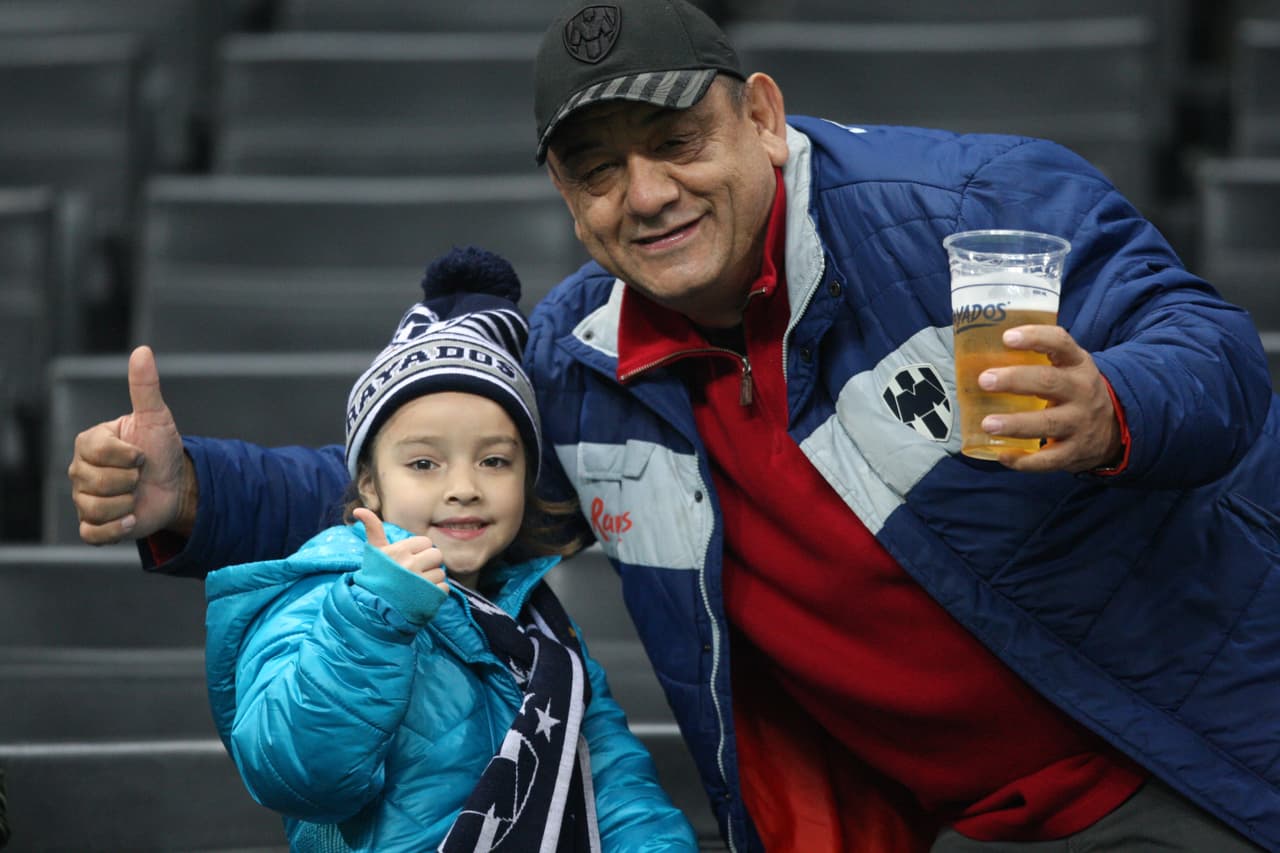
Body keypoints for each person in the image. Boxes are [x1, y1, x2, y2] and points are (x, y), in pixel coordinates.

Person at [67, 0, 1280, 850]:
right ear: (562, 193)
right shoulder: (581, 357)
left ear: (759, 114)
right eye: (597, 168)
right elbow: (440, 477)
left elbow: (1210, 350)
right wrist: (194, 496)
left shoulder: (967, 207)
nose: (644, 194)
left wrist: (1110, 404)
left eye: (676, 141)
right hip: (932, 820)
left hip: (1172, 762)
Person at [202, 246, 697, 852]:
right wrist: (373, 623)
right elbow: (300, 777)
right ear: (370, 485)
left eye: (494, 460)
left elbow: (612, 786)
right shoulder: (330, 595)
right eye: (423, 463)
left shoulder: (541, 626)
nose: (463, 488)